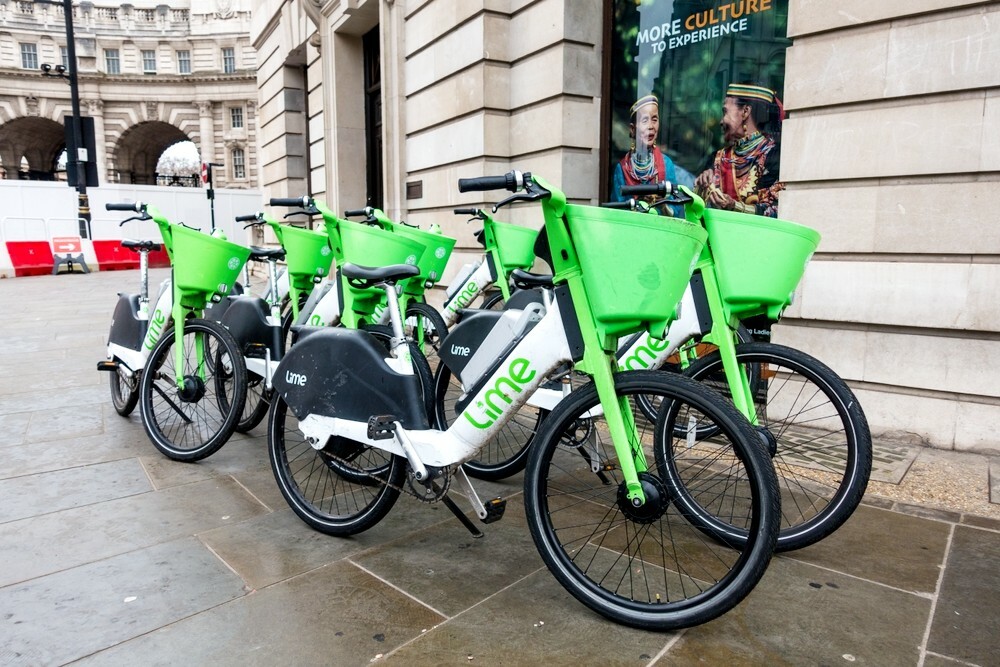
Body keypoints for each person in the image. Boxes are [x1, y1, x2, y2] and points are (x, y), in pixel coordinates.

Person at [695, 83, 784, 218]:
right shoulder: (717, 158)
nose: (721, 121)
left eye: (725, 112)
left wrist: (734, 206)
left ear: (745, 112)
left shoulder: (774, 156)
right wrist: (702, 187)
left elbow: (777, 211)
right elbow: (698, 211)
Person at [612, 94, 693, 216]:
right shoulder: (622, 169)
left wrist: (664, 206)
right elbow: (618, 211)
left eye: (654, 119)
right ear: (633, 129)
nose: (651, 126)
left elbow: (676, 210)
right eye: (645, 120)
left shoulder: (666, 164)